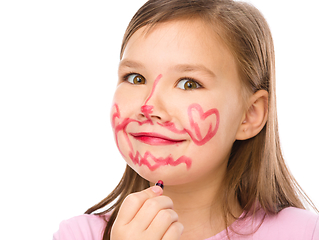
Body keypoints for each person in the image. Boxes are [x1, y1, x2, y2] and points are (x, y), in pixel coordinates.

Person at [53, 0, 319, 239]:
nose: (149, 105)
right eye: (135, 78)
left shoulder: (304, 233)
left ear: (249, 115)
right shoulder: (78, 235)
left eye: (188, 83)